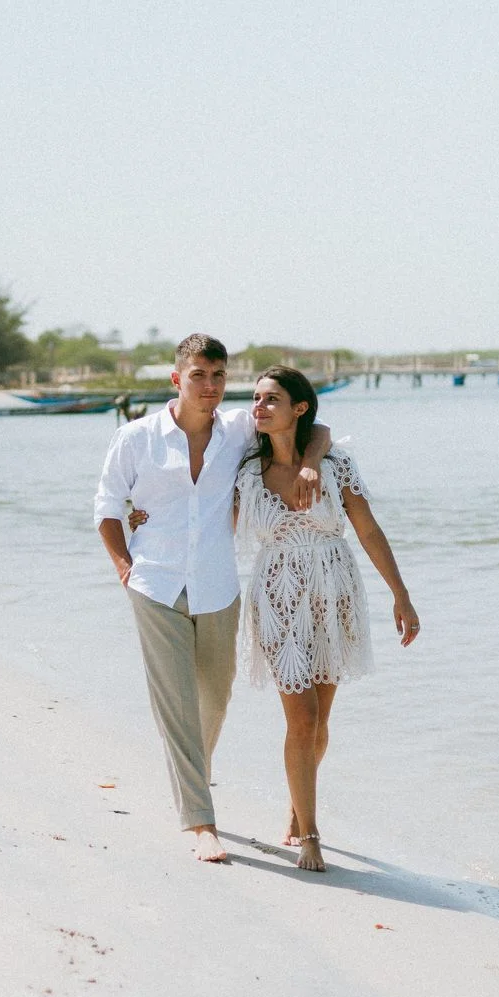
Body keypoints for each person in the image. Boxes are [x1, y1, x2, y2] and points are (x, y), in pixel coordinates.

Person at [94, 334, 331, 864]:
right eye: (199, 375)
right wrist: (124, 566)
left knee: (215, 700)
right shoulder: (136, 438)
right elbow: (107, 506)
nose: (210, 385)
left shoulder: (240, 431)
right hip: (155, 585)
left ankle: (190, 782)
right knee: (177, 704)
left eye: (219, 375)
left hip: (219, 588)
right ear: (177, 379)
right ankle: (202, 823)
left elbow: (316, 428)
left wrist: (312, 462)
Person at [236, 367, 420, 872]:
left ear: (299, 408)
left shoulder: (336, 463)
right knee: (302, 718)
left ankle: (299, 804)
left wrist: (401, 595)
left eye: (271, 399)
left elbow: (368, 530)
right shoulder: (245, 469)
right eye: (256, 398)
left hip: (334, 593)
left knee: (320, 721)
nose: (258, 406)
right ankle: (310, 834)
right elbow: (209, 522)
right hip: (277, 595)